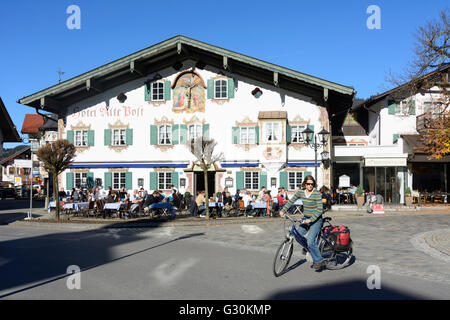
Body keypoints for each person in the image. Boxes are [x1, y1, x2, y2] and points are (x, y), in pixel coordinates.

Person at [280, 175, 325, 271]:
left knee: (310, 241)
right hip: (305, 218)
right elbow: (291, 200)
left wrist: (311, 219)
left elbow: (320, 209)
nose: (310, 186)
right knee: (298, 235)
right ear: (304, 184)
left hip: (316, 220)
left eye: (312, 184)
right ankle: (309, 249)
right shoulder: (301, 192)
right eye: (308, 184)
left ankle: (319, 260)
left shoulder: (316, 193)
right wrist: (283, 210)